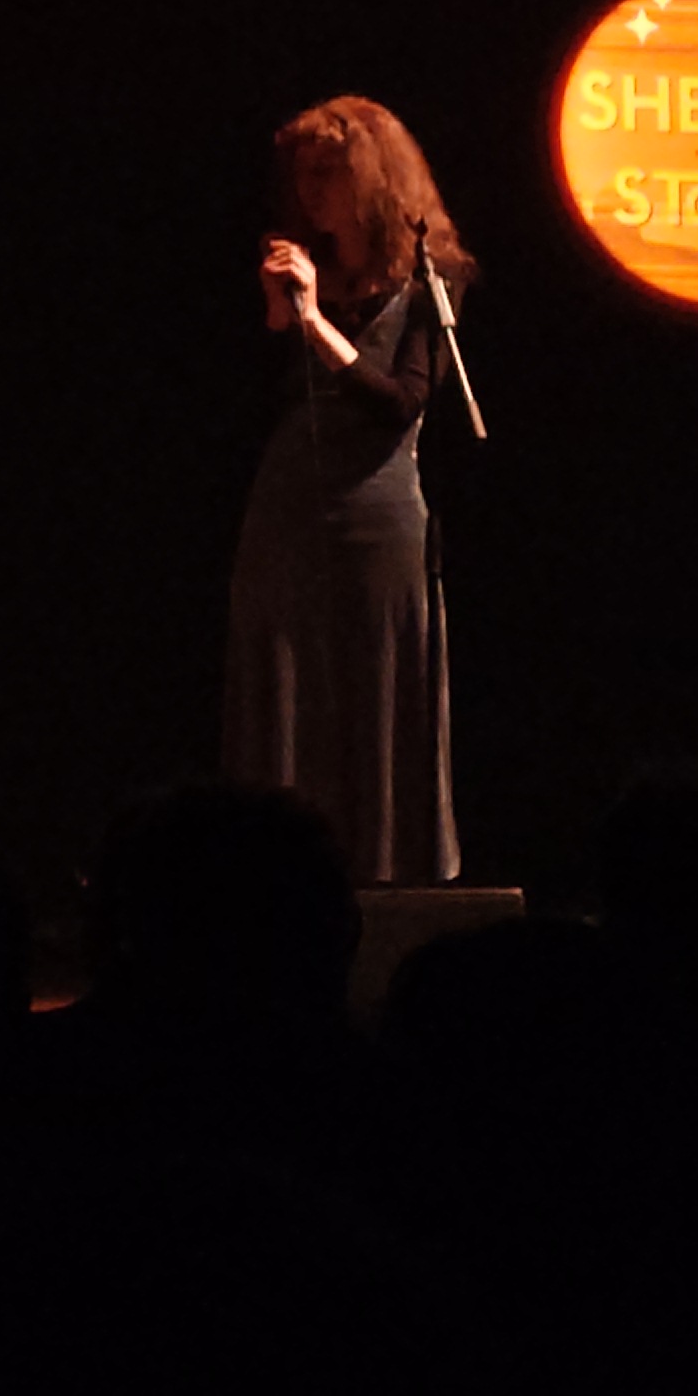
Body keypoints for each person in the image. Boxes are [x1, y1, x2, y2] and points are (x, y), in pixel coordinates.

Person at [227, 95, 473, 885]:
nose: (311, 191)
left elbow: (399, 404)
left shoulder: (434, 278)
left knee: (378, 685)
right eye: (303, 174)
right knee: (288, 685)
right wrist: (281, 313)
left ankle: (388, 873)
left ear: (373, 178)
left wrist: (312, 323)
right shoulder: (297, 272)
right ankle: (275, 868)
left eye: (328, 172)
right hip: (290, 510)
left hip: (379, 516)